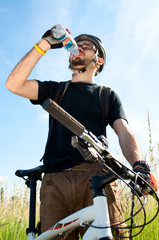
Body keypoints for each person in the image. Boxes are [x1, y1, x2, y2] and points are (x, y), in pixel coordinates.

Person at [6, 24, 157, 240]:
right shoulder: (55, 90)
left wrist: (139, 166)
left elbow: (123, 132)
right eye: (78, 44)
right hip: (55, 182)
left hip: (98, 177)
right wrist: (45, 43)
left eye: (88, 46)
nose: (80, 47)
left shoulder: (107, 95)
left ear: (99, 60)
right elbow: (14, 84)